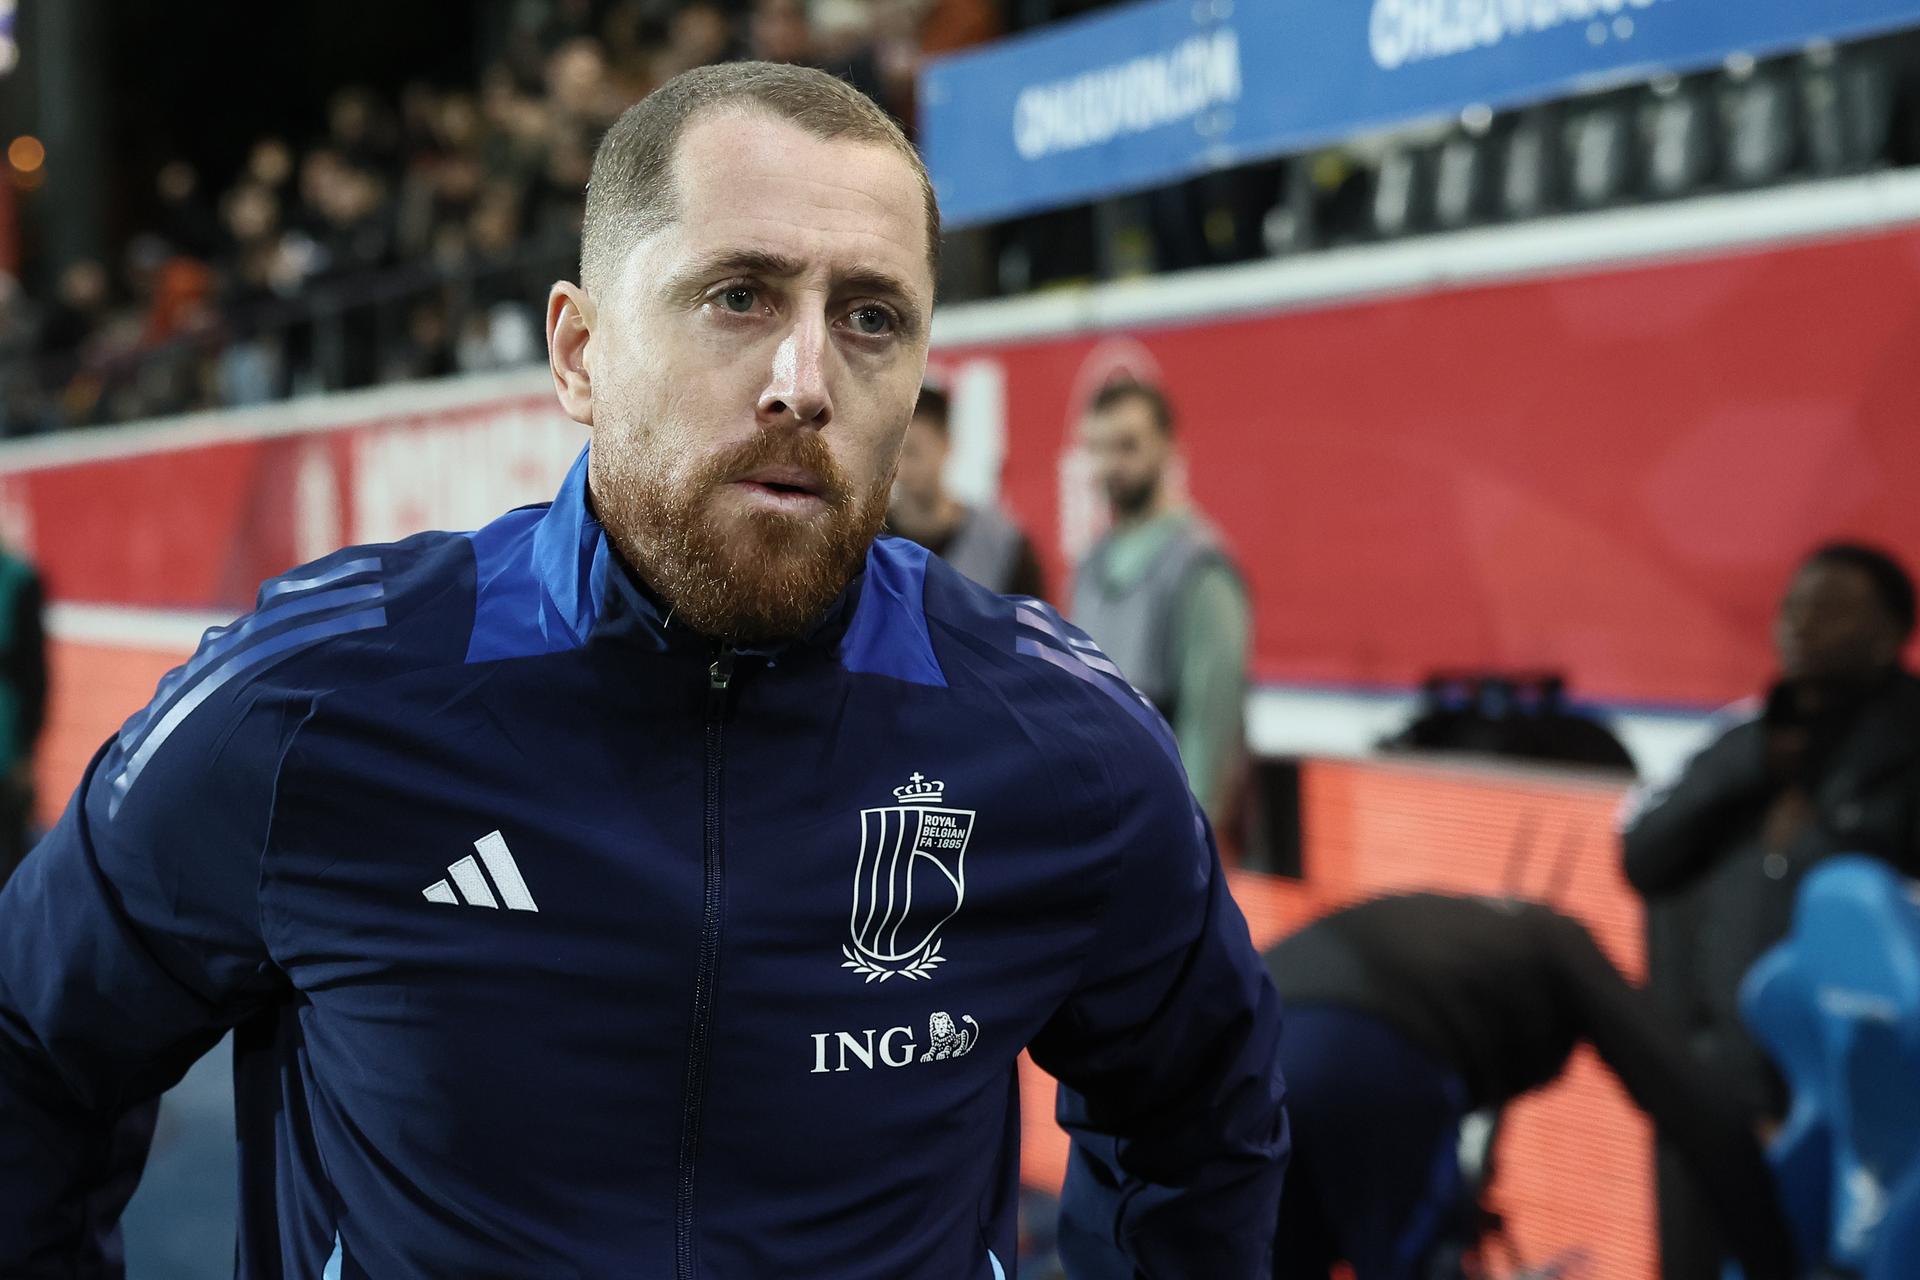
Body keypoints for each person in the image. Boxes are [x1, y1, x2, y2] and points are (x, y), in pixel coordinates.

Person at [0, 63, 1288, 1278]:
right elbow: (32, 1047)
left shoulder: (1058, 743)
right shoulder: (320, 700)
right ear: (580, 352)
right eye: (740, 294)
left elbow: (1202, 1108)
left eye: (872, 317)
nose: (805, 381)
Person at [1621, 541, 1920, 1279]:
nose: (1801, 624)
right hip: (1717, 1080)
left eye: (1831, 608)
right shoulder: (1744, 738)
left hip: (1854, 1098)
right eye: (1794, 605)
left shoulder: (1907, 745)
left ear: (1891, 632)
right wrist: (1753, 766)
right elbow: (1647, 857)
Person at [1264, 892, 1797, 1280]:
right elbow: (1697, 1107)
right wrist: (1774, 1261)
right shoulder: (1560, 945)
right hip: (1366, 1045)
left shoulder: (1453, 934)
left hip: (1253, 1044)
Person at [1073, 378, 1250, 833]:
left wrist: (1187, 840)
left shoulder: (1201, 567)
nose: (1111, 464)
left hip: (1165, 832)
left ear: (1168, 448)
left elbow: (1210, 727)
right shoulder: (1090, 566)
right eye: (1098, 447)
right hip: (1104, 824)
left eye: (1128, 446)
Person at [887, 384, 1046, 598]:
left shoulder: (1003, 546)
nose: (902, 469)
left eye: (913, 452)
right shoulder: (864, 542)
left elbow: (1031, 627)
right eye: (892, 453)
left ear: (946, 444)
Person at [0, 541, 45, 887]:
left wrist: (27, 754)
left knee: (12, 861)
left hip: (8, 747)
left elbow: (35, 676)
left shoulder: (20, 581)